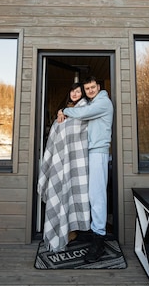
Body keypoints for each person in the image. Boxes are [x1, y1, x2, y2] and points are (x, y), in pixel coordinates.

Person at [57, 76, 113, 263]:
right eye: (87, 88)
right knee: (89, 194)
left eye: (92, 87)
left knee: (98, 197)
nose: (89, 90)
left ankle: (99, 241)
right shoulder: (94, 102)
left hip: (98, 153)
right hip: (89, 153)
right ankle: (91, 231)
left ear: (98, 87)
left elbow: (81, 114)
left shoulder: (103, 102)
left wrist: (64, 110)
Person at [37, 82, 91, 252]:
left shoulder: (84, 110)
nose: (75, 93)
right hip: (60, 163)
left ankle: (73, 230)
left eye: (79, 91)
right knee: (60, 194)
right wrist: (62, 112)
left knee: (73, 194)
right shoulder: (64, 111)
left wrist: (65, 113)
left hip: (77, 162)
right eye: (73, 90)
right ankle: (63, 231)